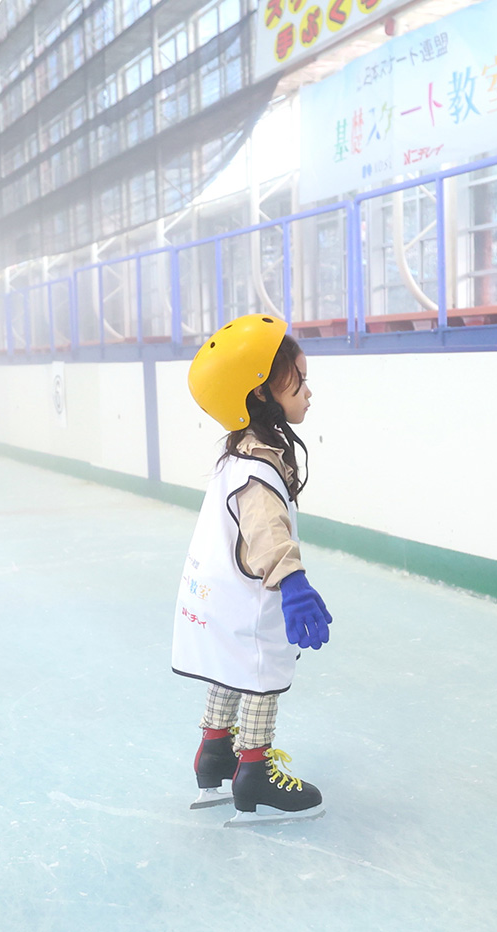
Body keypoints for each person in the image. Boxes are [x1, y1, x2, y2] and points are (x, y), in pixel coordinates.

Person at [173, 314, 333, 824]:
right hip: (248, 596)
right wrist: (294, 584)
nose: (309, 392)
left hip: (213, 597)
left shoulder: (238, 455)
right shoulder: (257, 471)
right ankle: (254, 772)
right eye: (299, 381)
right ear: (260, 393)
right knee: (262, 675)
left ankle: (215, 751)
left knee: (228, 665)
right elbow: (267, 534)